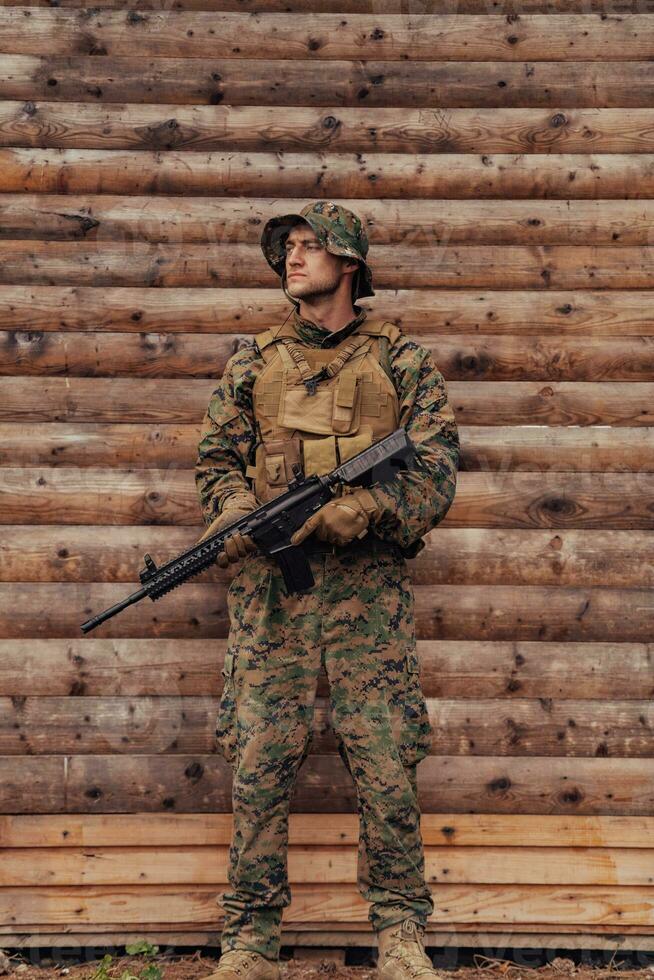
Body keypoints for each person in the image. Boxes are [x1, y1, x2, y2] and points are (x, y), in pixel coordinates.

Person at [195, 201, 460, 980]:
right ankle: (248, 937)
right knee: (259, 756)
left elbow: (436, 467)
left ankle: (401, 932)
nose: (294, 260)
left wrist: (366, 508)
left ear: (349, 265)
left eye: (311, 248)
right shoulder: (254, 361)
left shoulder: (403, 362)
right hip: (271, 592)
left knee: (384, 755)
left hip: (367, 594)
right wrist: (239, 513)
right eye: (289, 250)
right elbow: (216, 461)